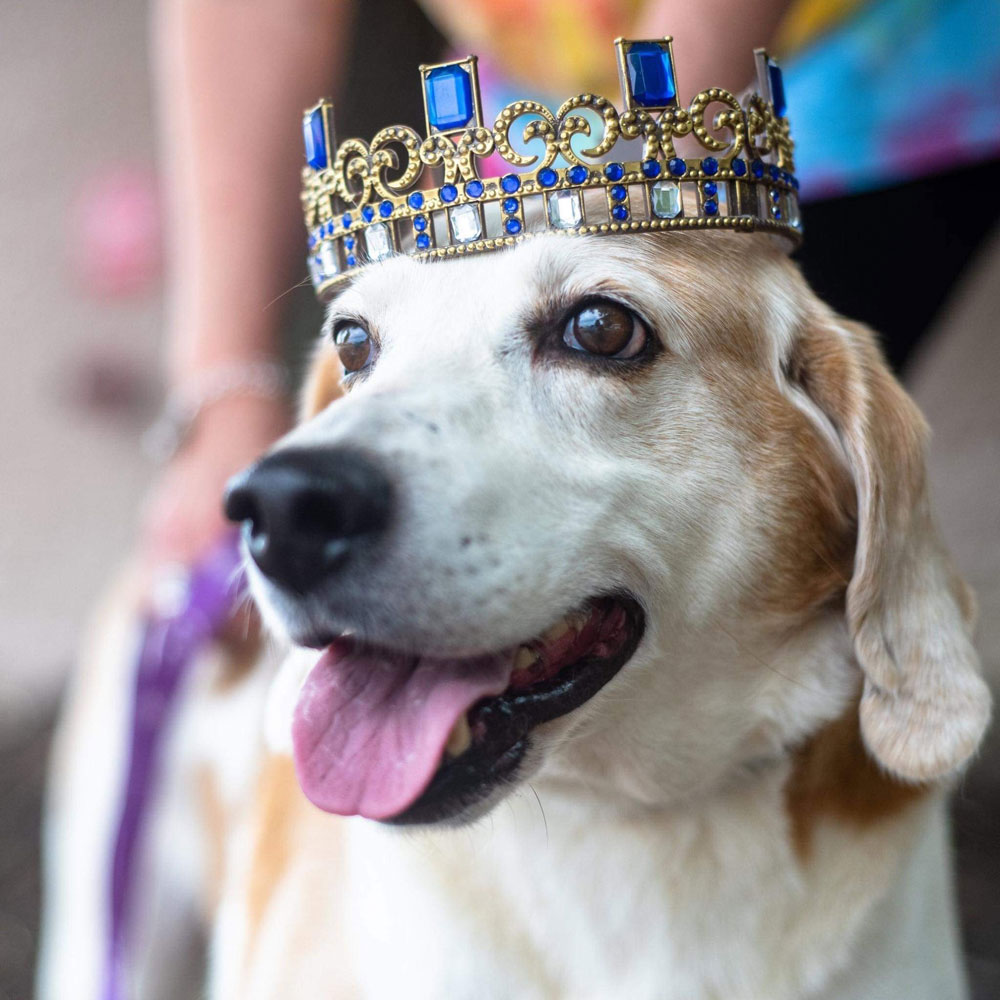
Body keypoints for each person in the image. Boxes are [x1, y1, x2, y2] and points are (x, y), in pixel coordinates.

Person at [142, 0, 999, 581]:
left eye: (597, 330)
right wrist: (224, 388)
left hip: (852, 69)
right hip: (525, 73)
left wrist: (625, 238)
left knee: (737, 556)